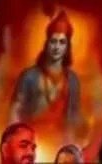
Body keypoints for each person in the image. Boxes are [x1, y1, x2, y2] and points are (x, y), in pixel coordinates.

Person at [10, 10, 81, 138]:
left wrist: (69, 142)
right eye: (53, 41)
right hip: (30, 137)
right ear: (47, 43)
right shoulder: (29, 76)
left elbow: (73, 118)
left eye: (62, 42)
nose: (57, 47)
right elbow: (16, 110)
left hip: (57, 141)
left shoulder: (72, 80)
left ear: (67, 47)